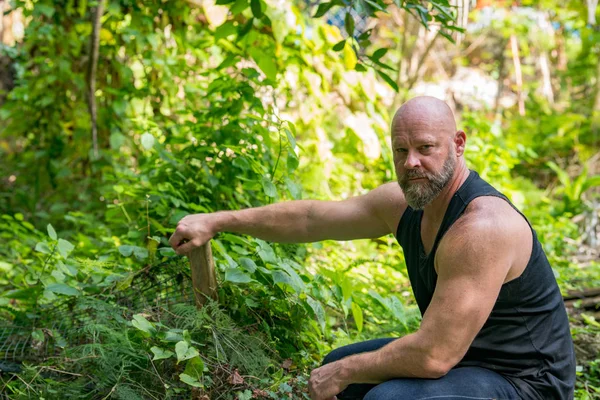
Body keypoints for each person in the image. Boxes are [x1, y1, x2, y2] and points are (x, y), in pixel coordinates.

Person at [169, 96, 576, 400]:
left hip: (527, 383)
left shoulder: (482, 228)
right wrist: (218, 221)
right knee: (337, 371)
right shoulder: (404, 205)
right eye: (401, 151)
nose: (411, 162)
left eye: (426, 148)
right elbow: (311, 218)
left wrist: (349, 371)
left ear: (458, 144)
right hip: (467, 358)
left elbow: (434, 356)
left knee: (380, 396)